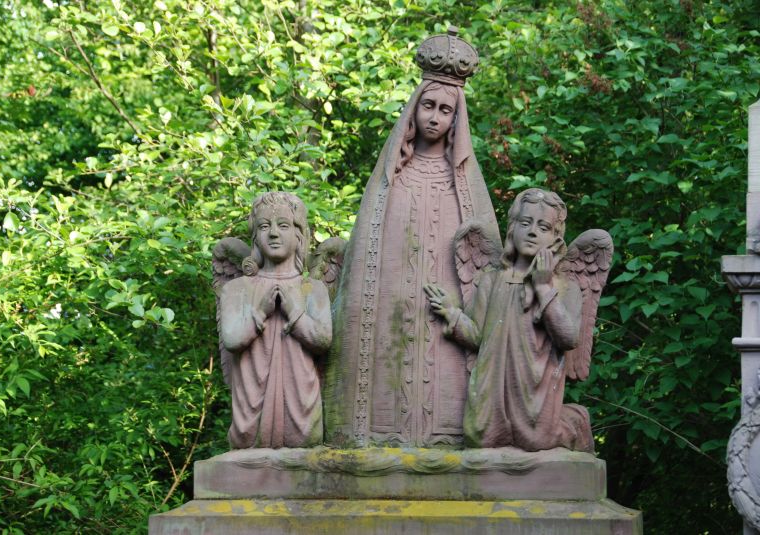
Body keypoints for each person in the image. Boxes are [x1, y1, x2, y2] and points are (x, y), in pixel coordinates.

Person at [325, 28, 501, 448]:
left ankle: (450, 437)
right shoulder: (391, 178)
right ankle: (378, 433)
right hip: (392, 304)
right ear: (414, 109)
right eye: (428, 106)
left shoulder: (464, 184)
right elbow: (368, 256)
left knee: (443, 375)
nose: (435, 116)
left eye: (446, 109)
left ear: (457, 118)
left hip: (447, 312)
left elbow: (488, 264)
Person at [425, 189, 594, 452]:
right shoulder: (493, 280)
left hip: (535, 391)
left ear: (555, 239)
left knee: (536, 441)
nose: (532, 231)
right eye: (525, 223)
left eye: (543, 227)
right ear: (512, 229)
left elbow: (569, 337)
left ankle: (574, 421)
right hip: (493, 387)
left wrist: (543, 287)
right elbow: (479, 335)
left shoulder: (564, 286)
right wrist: (453, 315)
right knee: (479, 437)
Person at [219, 192, 331, 448]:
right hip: (251, 412)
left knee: (304, 443)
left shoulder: (313, 288)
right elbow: (232, 339)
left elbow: (324, 340)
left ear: (298, 233)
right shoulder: (237, 289)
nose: (273, 233)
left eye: (283, 225)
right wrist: (260, 311)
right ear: (255, 236)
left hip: (301, 410)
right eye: (264, 226)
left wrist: (296, 313)